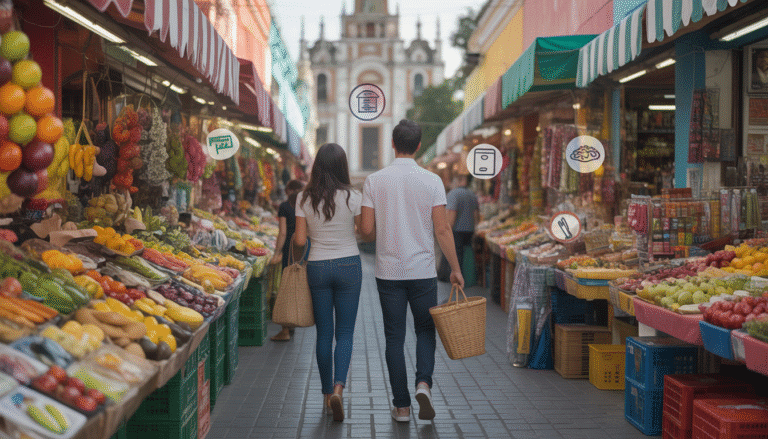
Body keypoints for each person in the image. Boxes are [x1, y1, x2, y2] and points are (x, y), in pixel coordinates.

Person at [360, 119, 464, 423]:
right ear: (418, 146)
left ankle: (402, 407)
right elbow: (442, 230)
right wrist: (455, 269)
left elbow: (366, 232)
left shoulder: (374, 181)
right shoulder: (432, 181)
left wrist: (380, 221)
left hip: (388, 272)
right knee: (424, 330)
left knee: (394, 337)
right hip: (423, 270)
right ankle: (423, 383)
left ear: (392, 144)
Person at [292, 143, 363, 422]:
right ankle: (338, 389)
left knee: (323, 334)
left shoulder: (303, 198)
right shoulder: (353, 196)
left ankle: (324, 396)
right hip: (349, 265)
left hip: (318, 266)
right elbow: (364, 232)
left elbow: (299, 241)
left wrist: (309, 239)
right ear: (342, 166)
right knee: (344, 334)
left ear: (317, 166)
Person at [268, 179, 306, 342]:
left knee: (285, 288)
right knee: (297, 287)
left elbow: (283, 233)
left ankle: (285, 330)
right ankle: (293, 322)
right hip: (302, 249)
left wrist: (277, 252)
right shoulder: (306, 205)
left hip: (289, 250)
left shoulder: (284, 206)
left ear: (290, 190)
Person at [442, 174, 480, 282]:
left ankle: (458, 278)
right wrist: (475, 226)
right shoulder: (472, 194)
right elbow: (476, 213)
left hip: (457, 230)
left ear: (456, 181)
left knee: (456, 254)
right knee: (467, 252)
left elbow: (452, 213)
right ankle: (469, 278)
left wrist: (447, 230)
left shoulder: (453, 194)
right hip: (470, 229)